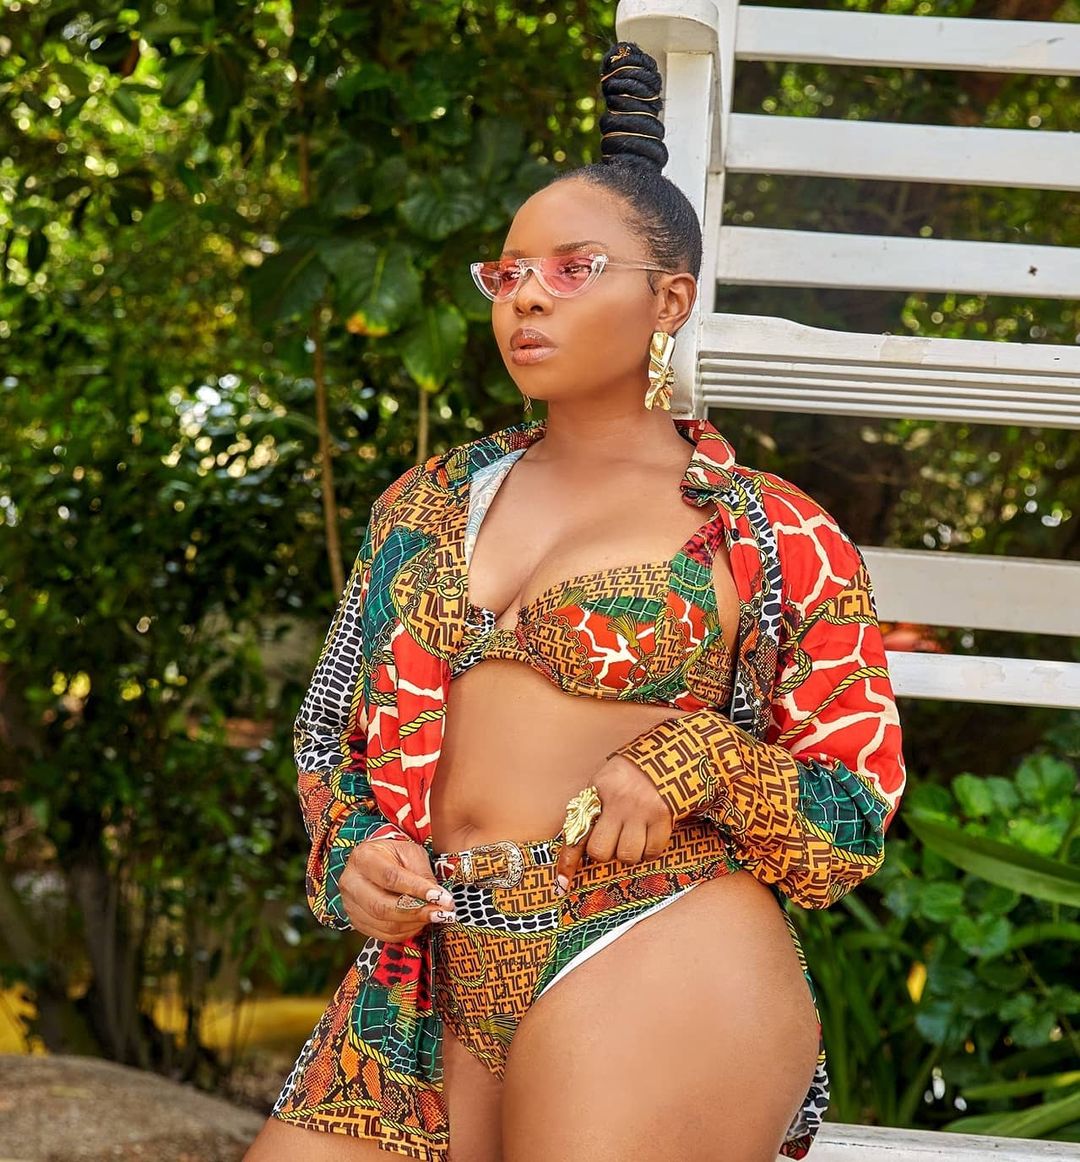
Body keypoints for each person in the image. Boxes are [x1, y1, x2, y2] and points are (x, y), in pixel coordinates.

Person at [244, 41, 905, 1162]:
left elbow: (849, 817)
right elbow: (329, 733)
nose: (526, 298)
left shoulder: (771, 530)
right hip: (432, 969)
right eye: (507, 275)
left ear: (669, 299)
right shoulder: (424, 503)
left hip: (657, 939)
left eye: (572, 268)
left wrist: (699, 756)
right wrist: (354, 850)